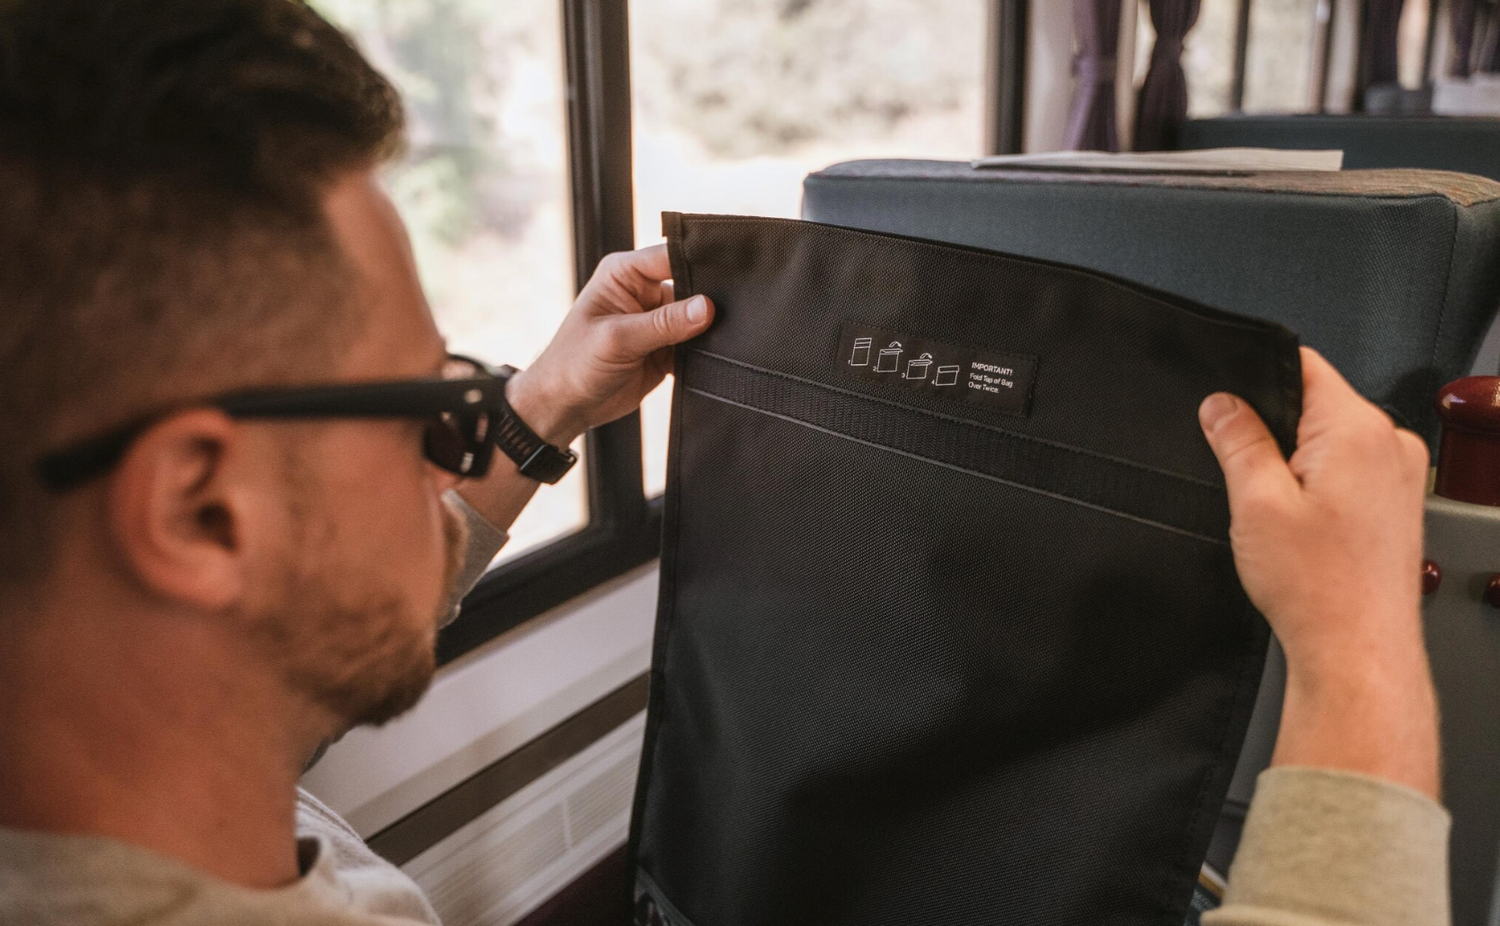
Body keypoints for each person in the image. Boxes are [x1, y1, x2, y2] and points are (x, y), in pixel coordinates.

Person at [0, 1, 1446, 925]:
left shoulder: (107, 750)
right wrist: (1360, 655)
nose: (463, 438)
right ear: (201, 511)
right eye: (430, 412)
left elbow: (259, 630)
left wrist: (537, 415)